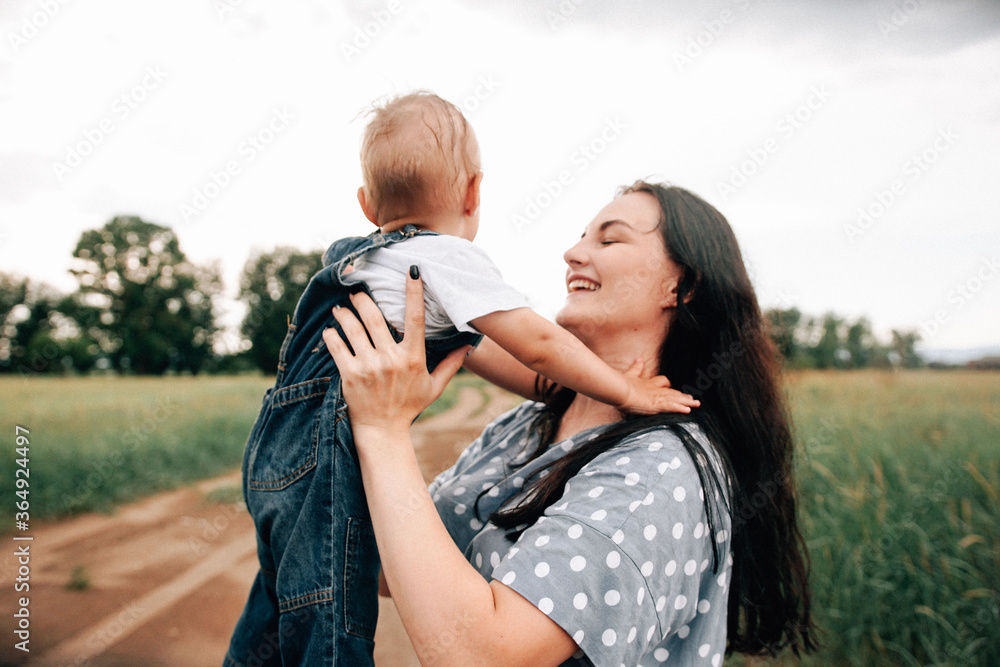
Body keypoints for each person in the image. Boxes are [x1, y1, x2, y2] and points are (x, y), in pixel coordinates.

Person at [224, 94, 697, 667]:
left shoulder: (367, 262)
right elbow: (539, 345)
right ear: (474, 192)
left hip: (273, 452)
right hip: (323, 450)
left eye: (609, 238)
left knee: (286, 594)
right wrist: (625, 390)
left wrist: (575, 387)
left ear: (368, 205)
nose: (572, 252)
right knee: (328, 617)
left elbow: (490, 356)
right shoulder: (449, 259)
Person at [324, 181, 816, 665]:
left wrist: (384, 431)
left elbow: (483, 657)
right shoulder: (525, 425)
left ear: (682, 286)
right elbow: (387, 569)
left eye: (609, 239)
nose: (573, 253)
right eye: (582, 236)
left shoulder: (659, 472)